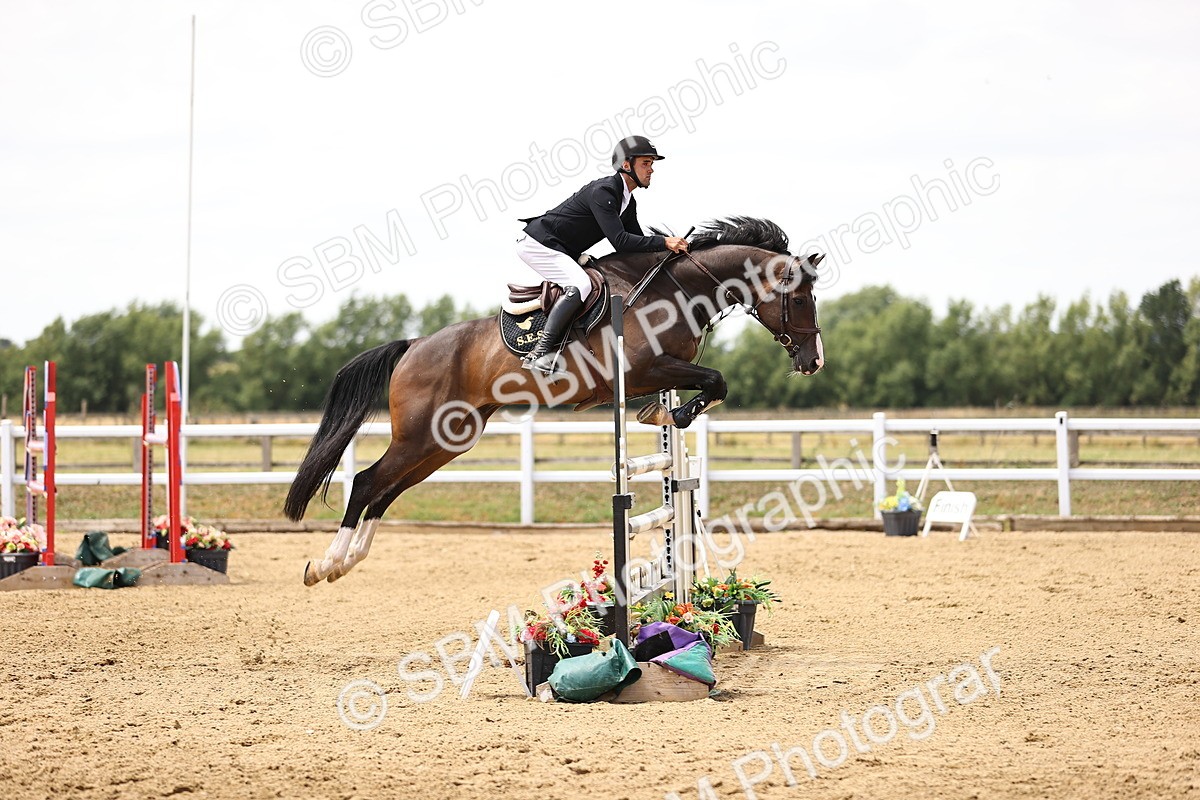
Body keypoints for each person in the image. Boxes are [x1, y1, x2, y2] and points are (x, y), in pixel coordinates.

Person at [515, 135, 689, 375]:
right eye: (646, 163)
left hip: (561, 248)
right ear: (626, 165)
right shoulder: (604, 191)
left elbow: (632, 248)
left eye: (652, 164)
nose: (651, 170)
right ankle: (539, 353)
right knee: (581, 284)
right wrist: (664, 241)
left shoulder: (628, 202)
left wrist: (668, 255)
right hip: (538, 244)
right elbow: (619, 240)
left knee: (589, 281)